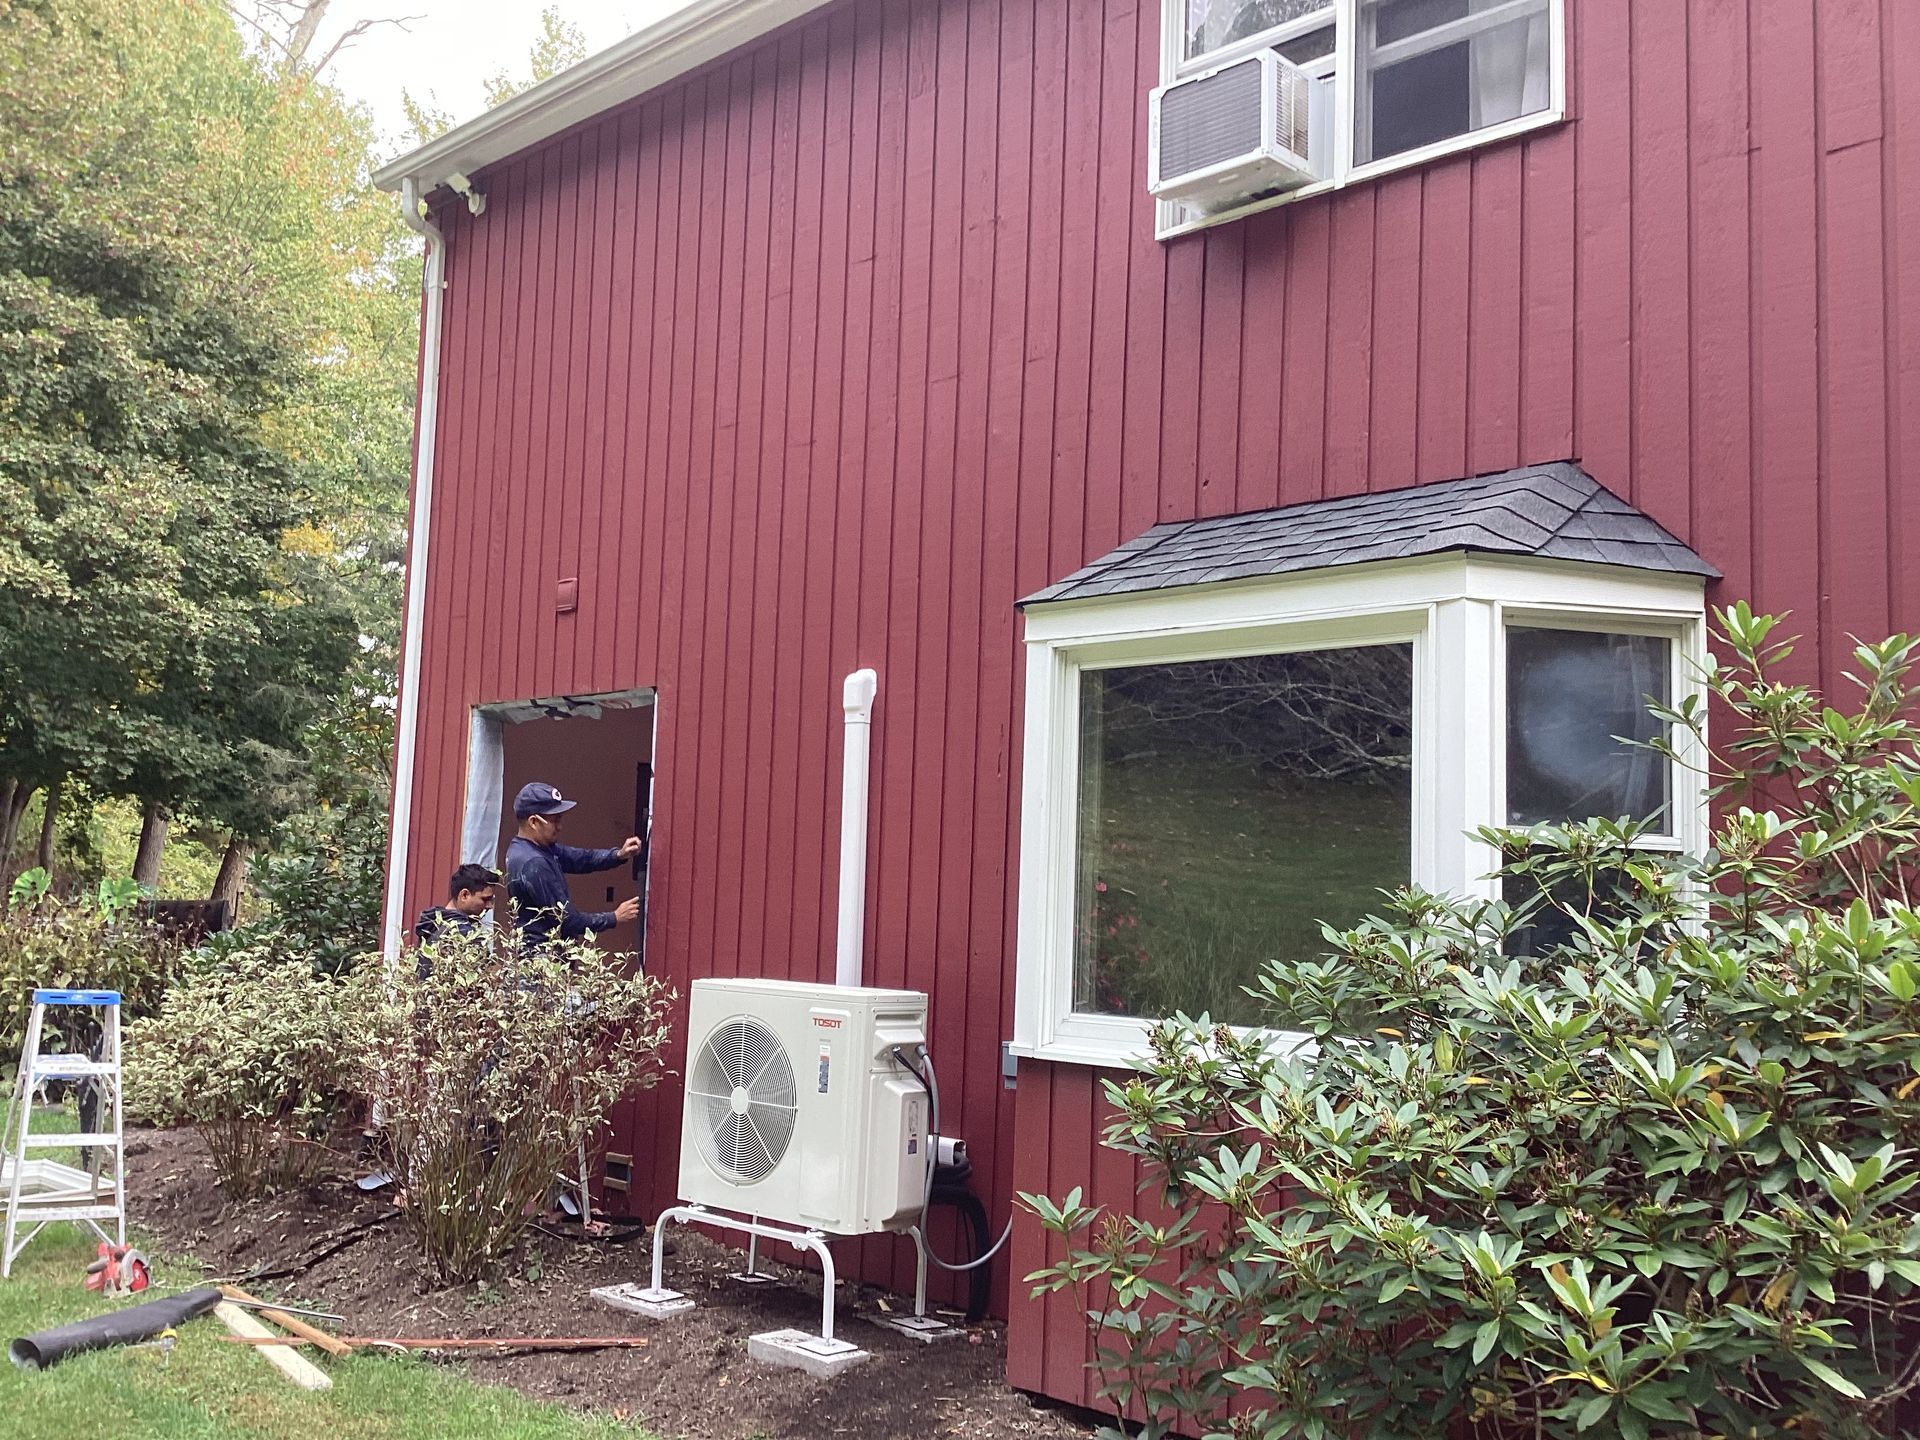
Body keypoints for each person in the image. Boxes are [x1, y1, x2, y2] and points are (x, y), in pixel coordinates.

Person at [503, 781, 643, 951]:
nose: (560, 826)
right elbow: (567, 921)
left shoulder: (534, 848)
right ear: (533, 822)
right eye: (554, 820)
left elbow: (580, 858)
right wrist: (614, 917)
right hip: (540, 962)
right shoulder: (534, 863)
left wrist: (618, 854)